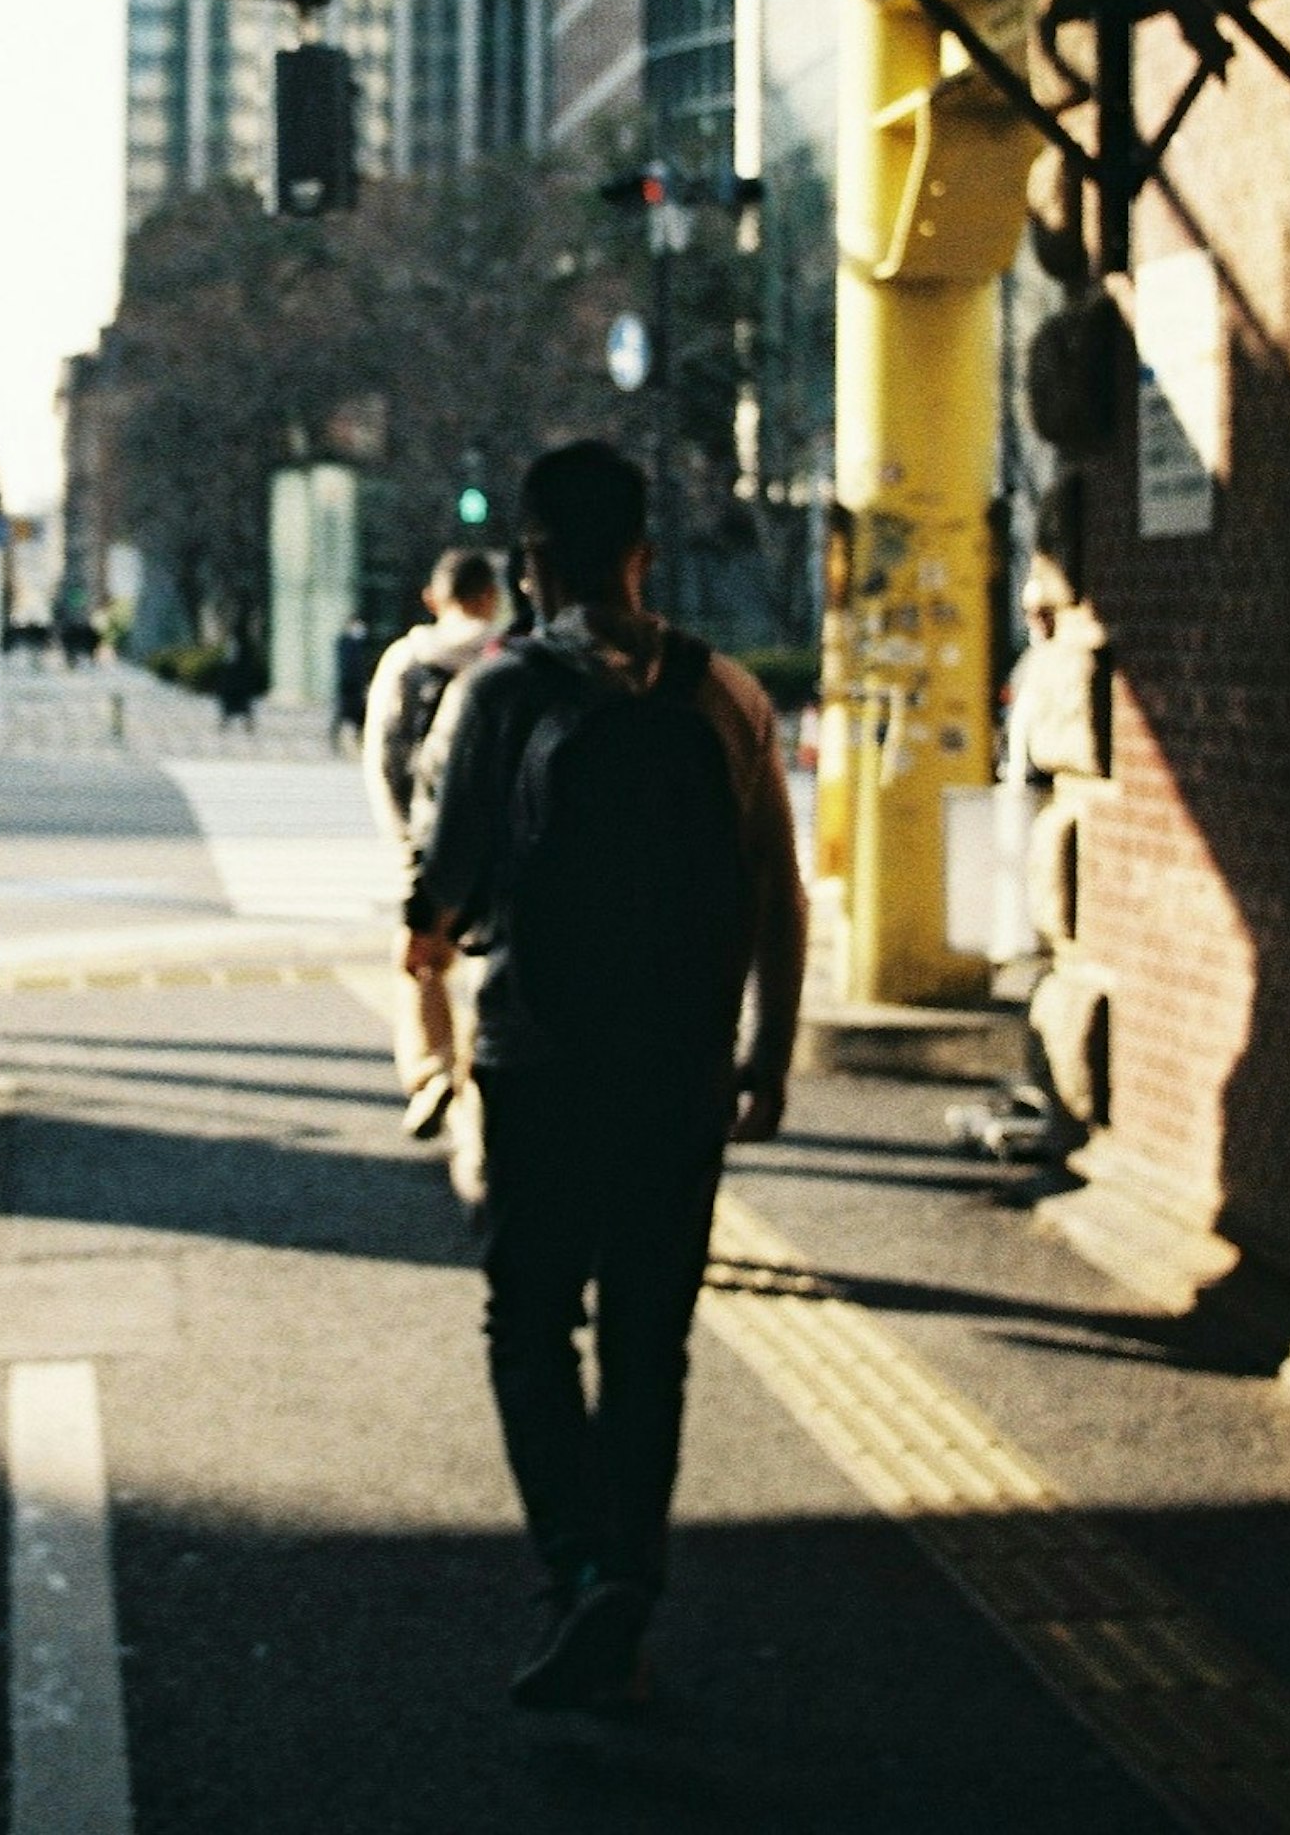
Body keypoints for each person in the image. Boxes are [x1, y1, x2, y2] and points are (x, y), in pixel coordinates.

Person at [404, 440, 804, 1715]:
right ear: (643, 551)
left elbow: (448, 888)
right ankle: (629, 1576)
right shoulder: (725, 696)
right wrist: (768, 1053)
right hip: (679, 1069)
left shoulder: (500, 692)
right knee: (652, 1340)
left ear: (533, 561)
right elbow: (775, 895)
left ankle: (578, 1567)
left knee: (529, 1323)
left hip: (537, 1062)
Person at [358, 548, 504, 1149]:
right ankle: (488, 1078)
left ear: (432, 598)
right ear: (492, 596)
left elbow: (386, 757)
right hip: (505, 848)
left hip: (431, 846)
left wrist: (406, 848)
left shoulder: (409, 660)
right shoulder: (511, 655)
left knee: (421, 963)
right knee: (500, 969)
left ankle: (435, 1068)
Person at [330, 615, 379, 753]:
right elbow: (350, 667)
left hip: (352, 687)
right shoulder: (347, 643)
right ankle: (342, 742)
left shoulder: (357, 643)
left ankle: (352, 742)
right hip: (350, 686)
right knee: (346, 714)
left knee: (352, 715)